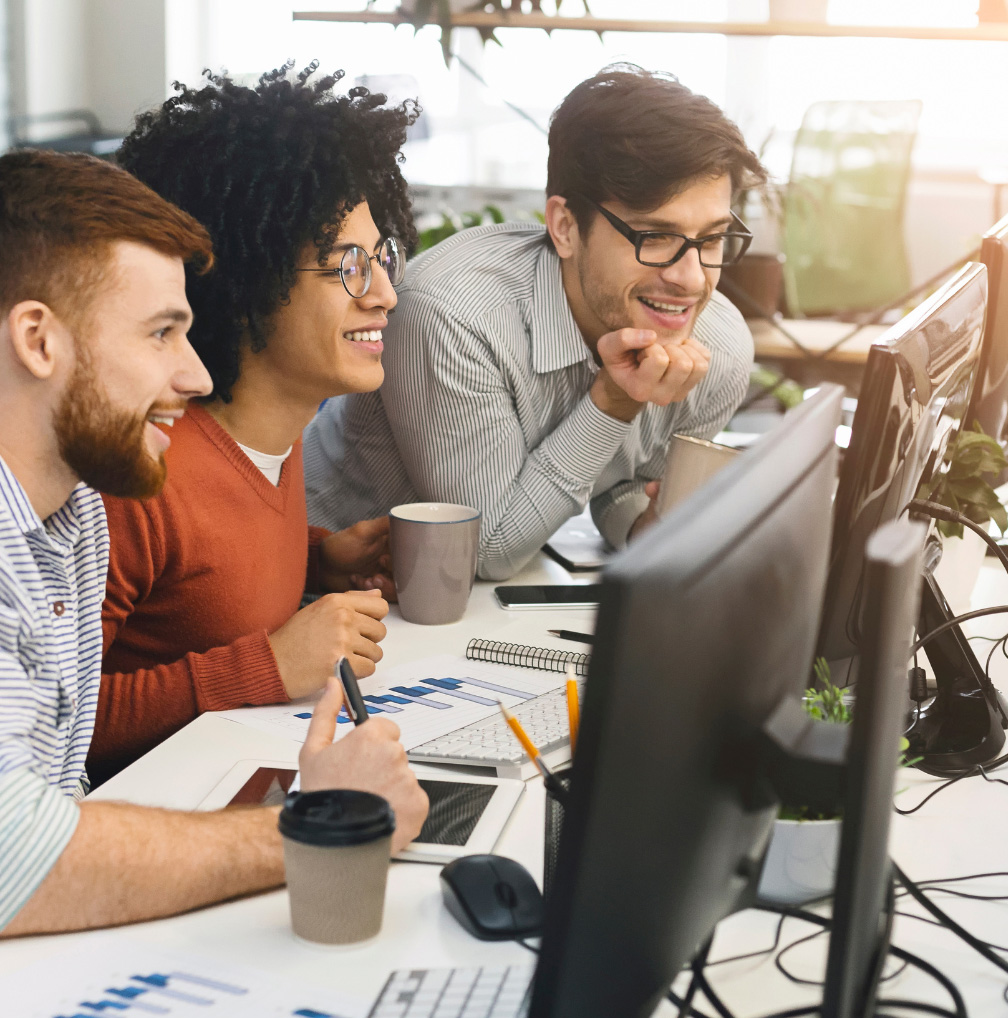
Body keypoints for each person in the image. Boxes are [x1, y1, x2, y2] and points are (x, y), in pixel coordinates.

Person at [0, 149, 427, 936]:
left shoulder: (73, 515)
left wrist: (313, 556)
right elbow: (11, 858)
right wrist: (322, 823)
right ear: (38, 340)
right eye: (161, 333)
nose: (197, 378)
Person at [304, 65, 769, 580]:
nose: (690, 280)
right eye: (655, 237)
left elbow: (623, 483)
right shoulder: (452, 311)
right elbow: (486, 547)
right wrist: (614, 402)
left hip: (472, 608)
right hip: (308, 582)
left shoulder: (717, 346)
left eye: (710, 239)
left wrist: (646, 526)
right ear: (565, 227)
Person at [90, 62, 421, 782]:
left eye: (384, 258)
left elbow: (202, 579)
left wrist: (316, 559)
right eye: (350, 266)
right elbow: (57, 723)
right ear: (251, 279)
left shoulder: (276, 433)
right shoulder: (143, 477)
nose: (386, 294)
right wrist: (265, 667)